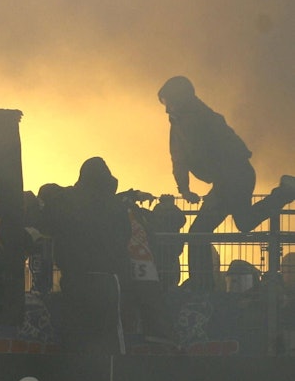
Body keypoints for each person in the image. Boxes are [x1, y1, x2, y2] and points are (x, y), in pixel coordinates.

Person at [157, 76, 295, 289]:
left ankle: (202, 286)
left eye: (169, 103)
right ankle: (285, 192)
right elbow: (180, 159)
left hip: (233, 177)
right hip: (229, 179)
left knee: (202, 231)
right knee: (225, 226)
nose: (167, 110)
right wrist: (185, 189)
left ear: (180, 99)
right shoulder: (188, 121)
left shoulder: (199, 121)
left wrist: (193, 189)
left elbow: (184, 158)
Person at [40, 158, 130, 355]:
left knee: (75, 335)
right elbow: (125, 236)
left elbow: (46, 223)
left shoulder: (67, 200)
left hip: (74, 279)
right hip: (107, 280)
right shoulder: (116, 206)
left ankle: (76, 379)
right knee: (108, 337)